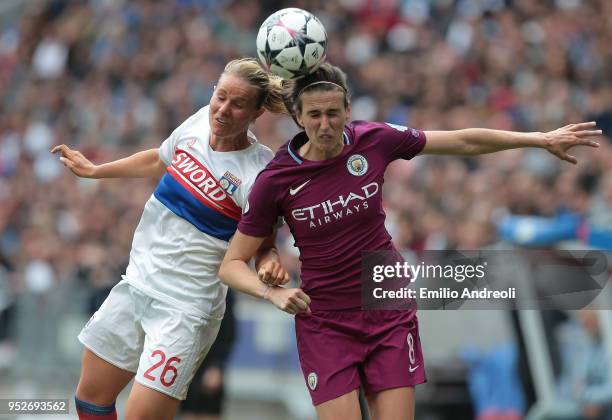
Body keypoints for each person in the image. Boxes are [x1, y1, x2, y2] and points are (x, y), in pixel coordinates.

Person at [218, 63, 602, 420]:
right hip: (324, 320)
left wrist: (536, 139)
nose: (325, 124)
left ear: (348, 110)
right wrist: (273, 293)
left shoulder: (373, 140)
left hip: (385, 306)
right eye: (314, 115)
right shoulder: (276, 179)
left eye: (333, 113)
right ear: (298, 117)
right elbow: (232, 264)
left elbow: (463, 141)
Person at [51, 58, 290, 420]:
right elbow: (159, 160)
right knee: (90, 400)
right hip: (137, 285)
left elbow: (263, 242)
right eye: (220, 96)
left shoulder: (259, 172)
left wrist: (269, 262)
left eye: (238, 104)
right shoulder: (197, 122)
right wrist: (97, 171)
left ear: (258, 112)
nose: (223, 109)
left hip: (185, 309)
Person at [180, 290, 237, 420]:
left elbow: (229, 331)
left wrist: (216, 366)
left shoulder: (223, 290)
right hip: (185, 360)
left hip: (210, 361)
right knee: (188, 410)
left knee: (209, 410)